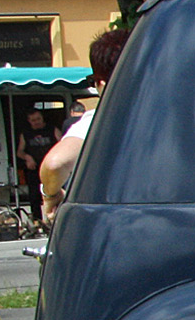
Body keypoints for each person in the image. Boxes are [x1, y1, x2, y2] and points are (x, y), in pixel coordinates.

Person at [39, 28, 129, 224]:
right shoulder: (181, 111)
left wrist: (51, 196)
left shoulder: (104, 121)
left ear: (103, 84)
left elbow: (55, 164)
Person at [15, 108, 59, 215]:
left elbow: (62, 145)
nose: (37, 122)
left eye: (38, 119)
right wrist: (27, 157)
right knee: (34, 196)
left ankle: (55, 219)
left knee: (54, 194)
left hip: (50, 168)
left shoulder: (52, 129)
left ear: (42, 118)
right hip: (34, 168)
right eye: (33, 120)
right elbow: (19, 152)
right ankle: (37, 221)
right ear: (29, 121)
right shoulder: (26, 133)